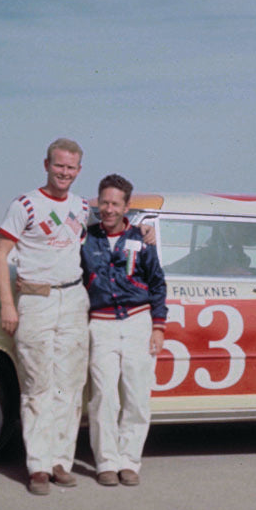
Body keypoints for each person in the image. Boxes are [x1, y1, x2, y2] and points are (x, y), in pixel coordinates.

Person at [0, 138, 90, 495]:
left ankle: (60, 461)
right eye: (59, 165)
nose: (64, 173)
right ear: (46, 164)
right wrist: (7, 303)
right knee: (38, 385)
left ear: (79, 171)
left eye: (71, 168)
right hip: (35, 299)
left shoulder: (82, 207)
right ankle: (37, 466)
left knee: (70, 385)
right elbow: (0, 253)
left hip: (73, 297)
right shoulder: (26, 205)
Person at [81, 174, 167, 487]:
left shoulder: (142, 239)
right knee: (103, 396)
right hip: (101, 324)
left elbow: (157, 283)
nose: (108, 209)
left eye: (116, 203)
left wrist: (158, 327)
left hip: (137, 323)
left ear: (127, 206)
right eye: (104, 202)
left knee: (137, 396)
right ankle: (106, 462)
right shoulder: (85, 238)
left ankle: (129, 461)